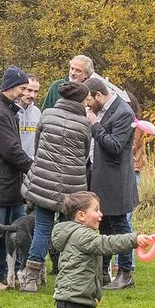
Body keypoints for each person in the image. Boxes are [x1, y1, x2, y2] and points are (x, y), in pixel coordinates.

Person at [22, 80, 96, 293]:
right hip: (72, 184)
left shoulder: (47, 115)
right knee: (69, 229)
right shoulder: (84, 123)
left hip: (44, 181)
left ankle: (31, 278)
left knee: (42, 229)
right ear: (80, 100)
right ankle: (67, 273)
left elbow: (37, 146)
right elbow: (84, 155)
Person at [0, 68, 35, 291]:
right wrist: (32, 167)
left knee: (12, 229)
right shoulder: (0, 113)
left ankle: (2, 273)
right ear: (11, 87)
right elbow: (10, 149)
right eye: (22, 88)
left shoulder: (7, 111)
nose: (23, 92)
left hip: (8, 184)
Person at [86, 77, 139, 290]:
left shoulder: (123, 113)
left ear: (99, 95)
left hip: (116, 180)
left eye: (89, 99)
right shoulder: (104, 110)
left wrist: (95, 126)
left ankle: (125, 273)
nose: (87, 105)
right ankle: (103, 272)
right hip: (101, 178)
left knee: (120, 227)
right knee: (105, 225)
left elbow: (115, 146)